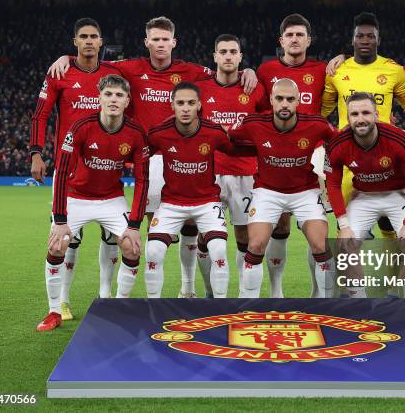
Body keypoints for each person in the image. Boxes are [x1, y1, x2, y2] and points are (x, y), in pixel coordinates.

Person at [48, 17, 258, 299]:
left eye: (165, 39)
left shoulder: (192, 72)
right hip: (148, 158)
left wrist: (249, 71)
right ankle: (146, 296)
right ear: (146, 42)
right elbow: (93, 60)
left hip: (180, 156)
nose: (160, 44)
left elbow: (223, 68)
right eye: (155, 39)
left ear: (174, 42)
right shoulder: (127, 68)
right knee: (148, 229)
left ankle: (188, 287)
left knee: (191, 226)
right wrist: (68, 57)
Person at [37, 74, 149, 331]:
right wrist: (60, 220)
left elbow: (143, 180)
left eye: (119, 95)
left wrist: (134, 224)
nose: (113, 99)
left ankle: (120, 306)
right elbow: (62, 173)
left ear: (127, 101)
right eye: (108, 94)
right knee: (57, 244)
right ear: (99, 98)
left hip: (111, 199)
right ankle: (54, 311)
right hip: (77, 197)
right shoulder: (80, 127)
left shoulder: (135, 133)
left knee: (132, 247)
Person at [30, 18, 123, 321]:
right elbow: (41, 115)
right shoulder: (60, 72)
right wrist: (36, 153)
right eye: (82, 37)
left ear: (101, 41)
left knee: (112, 238)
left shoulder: (113, 74)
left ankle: (107, 297)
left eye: (93, 36)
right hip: (69, 172)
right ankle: (62, 303)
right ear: (75, 42)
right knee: (66, 239)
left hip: (106, 169)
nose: (88, 41)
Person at [322, 11, 405, 297]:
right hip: (347, 162)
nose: (365, 40)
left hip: (387, 159)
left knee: (393, 231)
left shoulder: (394, 71)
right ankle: (348, 293)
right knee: (344, 231)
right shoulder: (337, 71)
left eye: (370, 36)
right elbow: (321, 112)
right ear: (352, 39)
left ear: (378, 39)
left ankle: (393, 290)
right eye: (360, 35)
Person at [228, 78, 336, 298]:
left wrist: (330, 173)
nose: (284, 104)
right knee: (256, 245)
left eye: (289, 99)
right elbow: (226, 136)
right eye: (279, 99)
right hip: (267, 191)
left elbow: (341, 142)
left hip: (305, 191)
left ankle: (325, 303)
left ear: (298, 101)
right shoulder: (254, 123)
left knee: (320, 245)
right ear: (271, 100)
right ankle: (249, 304)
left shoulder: (317, 124)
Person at [145, 82, 252, 299]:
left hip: (207, 203)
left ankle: (218, 306)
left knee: (219, 250)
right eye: (180, 103)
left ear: (199, 105)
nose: (185, 108)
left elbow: (237, 149)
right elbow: (137, 154)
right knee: (153, 251)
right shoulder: (158, 134)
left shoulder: (213, 132)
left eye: (191, 103)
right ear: (172, 105)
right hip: (171, 203)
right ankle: (152, 309)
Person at [325, 92, 405, 297]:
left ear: (377, 114)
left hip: (398, 194)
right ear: (348, 116)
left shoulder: (399, 139)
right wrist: (343, 226)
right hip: (363, 196)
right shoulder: (337, 144)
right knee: (345, 245)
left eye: (365, 113)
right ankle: (360, 304)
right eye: (354, 114)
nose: (360, 119)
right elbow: (332, 184)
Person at [256, 13, 328, 298]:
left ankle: (317, 293)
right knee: (281, 222)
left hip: (314, 156)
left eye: (300, 35)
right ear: (281, 40)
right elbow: (259, 110)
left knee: (316, 228)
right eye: (290, 35)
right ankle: (276, 292)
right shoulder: (264, 71)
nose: (295, 39)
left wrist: (340, 58)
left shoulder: (323, 69)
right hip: (277, 155)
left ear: (308, 40)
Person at [197, 34, 268, 297]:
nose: (228, 56)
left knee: (244, 238)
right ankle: (210, 292)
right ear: (214, 56)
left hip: (246, 173)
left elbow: (266, 126)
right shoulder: (201, 89)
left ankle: (242, 293)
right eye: (223, 52)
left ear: (240, 57)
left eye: (233, 52)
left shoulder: (255, 88)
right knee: (206, 237)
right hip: (210, 174)